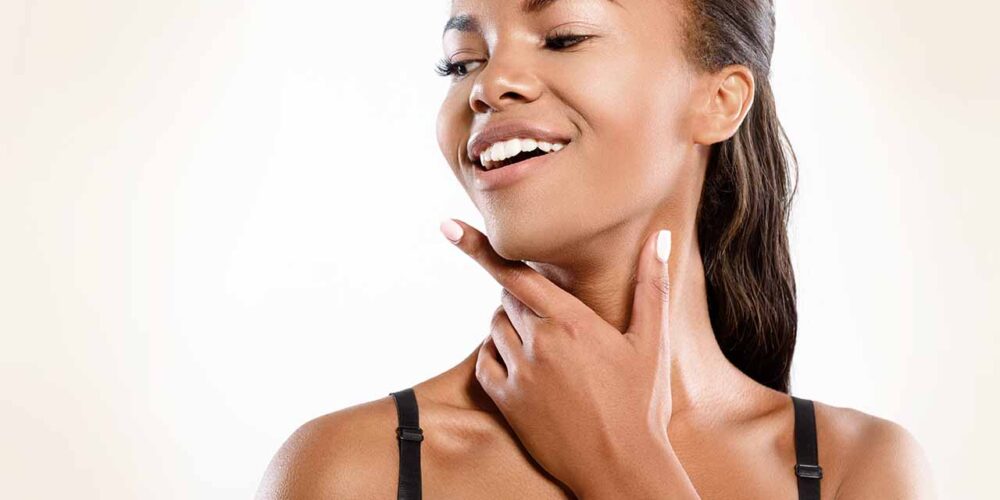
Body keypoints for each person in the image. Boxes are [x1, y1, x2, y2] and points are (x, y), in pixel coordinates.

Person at [256, 0, 935, 497]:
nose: (486, 86)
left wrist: (626, 466)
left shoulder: (857, 470)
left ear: (720, 101)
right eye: (462, 62)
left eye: (564, 38)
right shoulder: (351, 469)